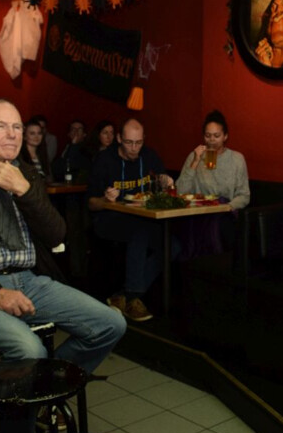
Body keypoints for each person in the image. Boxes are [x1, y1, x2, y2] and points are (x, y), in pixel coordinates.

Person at [0, 99, 126, 433]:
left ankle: (39, 397)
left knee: (111, 323)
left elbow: (58, 233)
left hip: (30, 280)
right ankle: (19, 426)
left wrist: (25, 190)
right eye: (1, 125)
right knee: (29, 350)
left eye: (18, 126)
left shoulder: (27, 172)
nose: (13, 134)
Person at [87, 118, 175, 322]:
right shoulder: (105, 160)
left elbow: (162, 182)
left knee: (173, 245)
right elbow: (91, 203)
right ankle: (134, 297)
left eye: (138, 143)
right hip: (109, 219)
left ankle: (123, 295)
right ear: (119, 139)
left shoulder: (149, 155)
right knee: (140, 232)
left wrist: (165, 181)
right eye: (128, 143)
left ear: (144, 139)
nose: (134, 148)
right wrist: (105, 199)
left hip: (143, 219)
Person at [176, 110, 249, 257]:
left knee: (221, 227)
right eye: (208, 136)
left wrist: (229, 206)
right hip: (197, 213)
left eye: (217, 136)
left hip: (224, 212)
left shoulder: (236, 159)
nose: (212, 140)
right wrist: (196, 161)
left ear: (225, 136)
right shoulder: (195, 156)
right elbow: (180, 191)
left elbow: (244, 195)